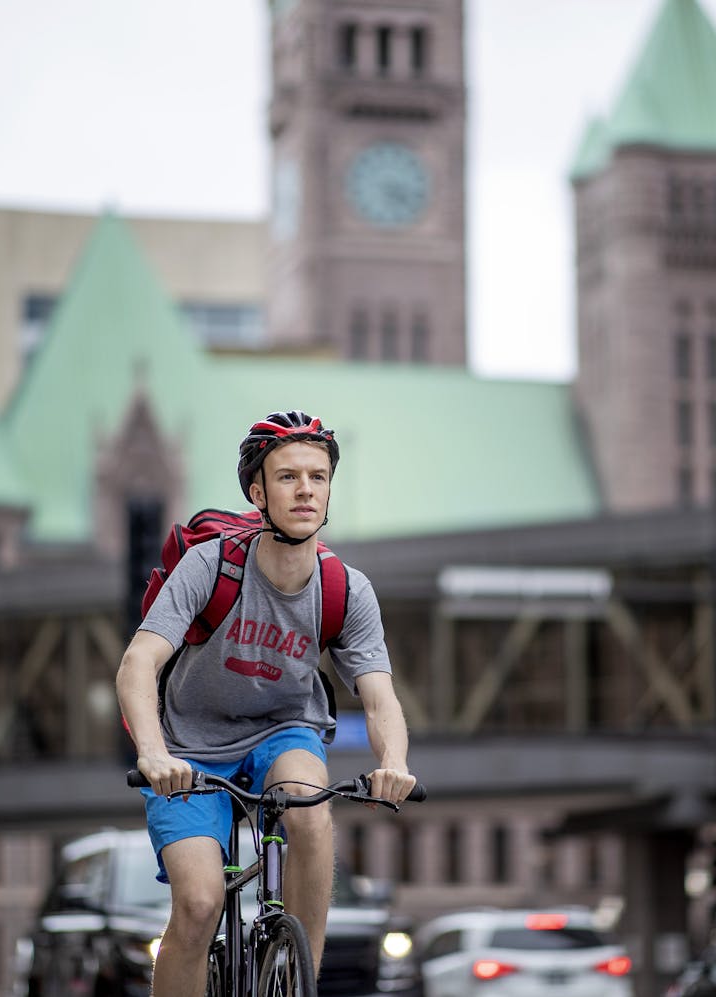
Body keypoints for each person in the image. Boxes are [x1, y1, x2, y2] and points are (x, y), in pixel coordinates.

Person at [116, 409, 416, 997]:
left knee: (308, 805)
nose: (305, 488)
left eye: (318, 476)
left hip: (285, 729)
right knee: (200, 904)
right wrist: (153, 753)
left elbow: (380, 698)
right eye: (287, 477)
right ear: (257, 491)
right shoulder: (213, 565)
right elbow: (138, 663)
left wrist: (395, 763)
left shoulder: (346, 590)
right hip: (188, 749)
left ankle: (297, 975)